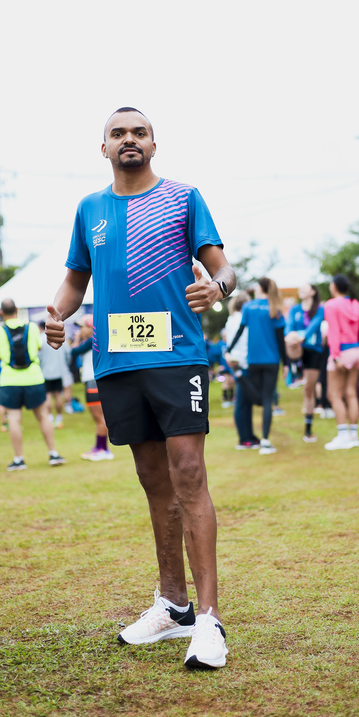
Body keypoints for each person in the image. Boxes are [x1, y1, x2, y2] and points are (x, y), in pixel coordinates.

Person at [45, 107, 235, 670]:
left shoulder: (184, 198)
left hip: (177, 355)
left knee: (189, 474)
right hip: (117, 361)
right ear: (102, 148)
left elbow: (224, 268)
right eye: (118, 133)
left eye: (139, 132)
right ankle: (172, 605)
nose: (129, 139)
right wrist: (56, 316)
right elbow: (76, 281)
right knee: (154, 483)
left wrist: (217, 290)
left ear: (155, 143)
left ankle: (209, 621)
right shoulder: (90, 210)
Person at [0, 299, 65, 471]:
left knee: (14, 419)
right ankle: (53, 453)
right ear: (17, 309)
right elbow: (38, 347)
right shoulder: (31, 327)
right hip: (34, 377)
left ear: (1, 312)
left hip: (9, 379)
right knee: (43, 416)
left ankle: (19, 459)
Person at [226, 277, 286, 455]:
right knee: (267, 400)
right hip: (272, 361)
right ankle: (265, 440)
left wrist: (228, 349)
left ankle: (238, 376)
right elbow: (280, 340)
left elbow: (240, 331)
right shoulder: (275, 308)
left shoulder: (249, 307)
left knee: (255, 398)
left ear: (260, 288)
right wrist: (288, 364)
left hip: (253, 361)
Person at [323, 275, 359, 450]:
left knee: (334, 394)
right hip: (357, 352)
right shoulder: (356, 305)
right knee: (351, 393)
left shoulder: (331, 305)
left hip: (342, 351)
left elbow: (333, 332)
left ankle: (342, 436)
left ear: (334, 287)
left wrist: (334, 356)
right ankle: (353, 435)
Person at [285, 284, 324, 443]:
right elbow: (289, 327)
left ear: (313, 292)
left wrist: (303, 337)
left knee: (309, 390)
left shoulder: (319, 309)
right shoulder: (294, 309)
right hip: (296, 346)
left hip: (313, 349)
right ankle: (296, 370)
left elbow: (315, 326)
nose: (301, 290)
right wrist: (290, 336)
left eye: (305, 288)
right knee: (290, 340)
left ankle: (308, 429)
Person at [71, 315, 113, 461]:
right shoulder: (92, 340)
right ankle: (99, 447)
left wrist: (76, 340)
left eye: (82, 327)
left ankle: (103, 449)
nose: (80, 330)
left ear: (90, 328)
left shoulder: (92, 340)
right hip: (92, 381)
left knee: (99, 417)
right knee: (98, 418)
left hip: (93, 381)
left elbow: (73, 352)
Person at [224, 291, 259, 449]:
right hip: (242, 362)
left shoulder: (231, 319)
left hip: (236, 360)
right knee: (243, 402)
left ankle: (249, 435)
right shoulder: (242, 319)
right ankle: (244, 438)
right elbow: (245, 342)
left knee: (245, 400)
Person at [38, 323, 71, 428]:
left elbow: (38, 356)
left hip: (46, 372)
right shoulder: (60, 337)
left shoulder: (41, 338)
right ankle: (59, 418)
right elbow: (68, 353)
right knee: (57, 395)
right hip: (58, 371)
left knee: (47, 396)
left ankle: (50, 418)